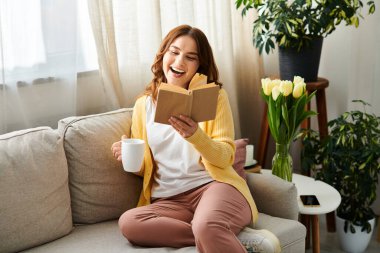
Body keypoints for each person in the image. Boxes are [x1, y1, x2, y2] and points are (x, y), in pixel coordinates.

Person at [111, 24, 281, 253]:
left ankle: (213, 230)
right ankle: (230, 236)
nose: (179, 62)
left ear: (199, 64)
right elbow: (146, 168)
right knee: (129, 223)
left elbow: (225, 158)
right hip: (170, 201)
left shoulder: (215, 98)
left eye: (190, 57)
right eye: (174, 52)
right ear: (163, 54)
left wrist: (196, 136)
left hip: (213, 187)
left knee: (206, 225)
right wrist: (128, 157)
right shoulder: (143, 105)